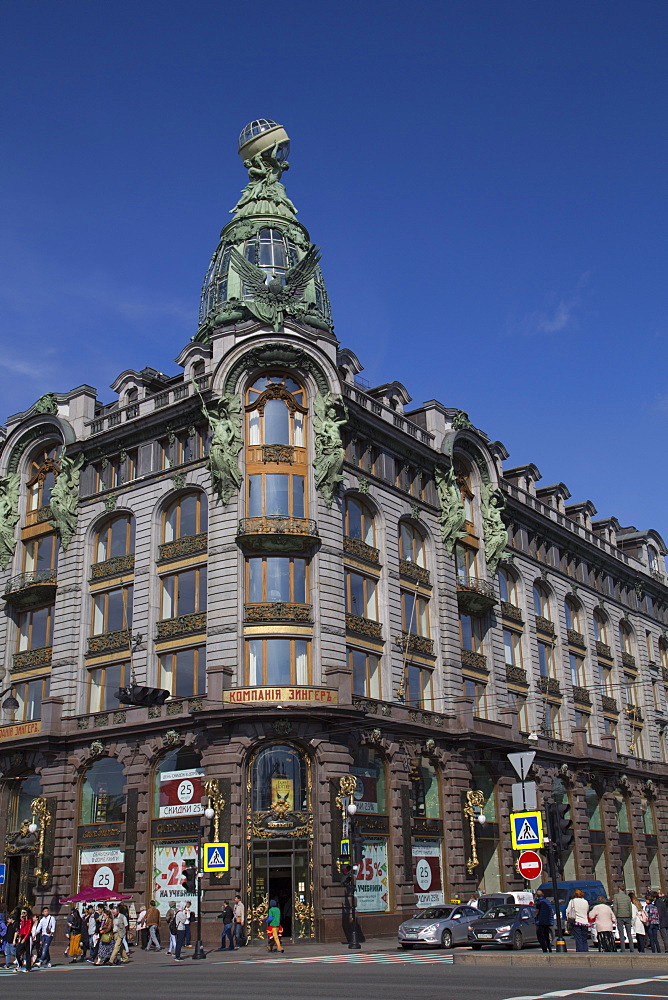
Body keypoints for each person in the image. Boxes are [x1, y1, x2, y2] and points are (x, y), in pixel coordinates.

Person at [612, 886, 634, 952]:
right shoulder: (627, 897)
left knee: (621, 933)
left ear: (619, 889)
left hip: (620, 916)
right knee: (629, 934)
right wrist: (630, 916)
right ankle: (632, 948)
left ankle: (623, 949)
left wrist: (614, 916)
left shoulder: (616, 896)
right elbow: (630, 908)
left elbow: (615, 908)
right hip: (627, 916)